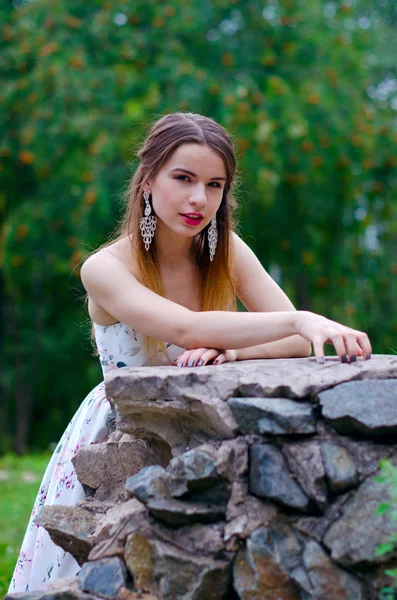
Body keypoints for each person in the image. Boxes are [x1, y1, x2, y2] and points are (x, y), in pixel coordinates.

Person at [9, 112, 371, 592]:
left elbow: (297, 344)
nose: (199, 199)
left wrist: (233, 353)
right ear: (148, 181)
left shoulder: (227, 252)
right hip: (122, 439)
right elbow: (188, 326)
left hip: (206, 429)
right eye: (183, 178)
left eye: (214, 184)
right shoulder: (105, 268)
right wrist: (300, 318)